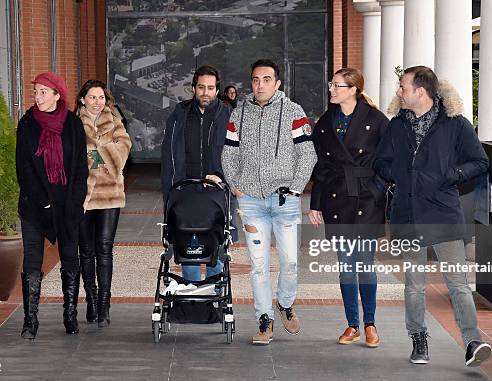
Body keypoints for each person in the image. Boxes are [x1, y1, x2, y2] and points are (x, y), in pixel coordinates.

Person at [373, 66, 492, 366]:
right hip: (408, 214)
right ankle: (418, 338)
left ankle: (472, 341)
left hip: (444, 215)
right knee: (414, 285)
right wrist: (399, 175)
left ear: (421, 92)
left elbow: (480, 161)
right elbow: (380, 162)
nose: (399, 92)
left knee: (458, 284)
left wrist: (450, 175)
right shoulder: (396, 126)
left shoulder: (455, 124)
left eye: (403, 87)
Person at [222, 59, 317, 345]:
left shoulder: (293, 112)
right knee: (258, 265)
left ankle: (285, 303)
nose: (260, 85)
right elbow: (228, 154)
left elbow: (307, 154)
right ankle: (264, 318)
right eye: (255, 80)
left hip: (285, 202)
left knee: (289, 262)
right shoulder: (238, 115)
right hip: (251, 203)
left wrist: (297, 188)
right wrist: (236, 185)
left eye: (266, 79)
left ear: (277, 83)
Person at [309, 68, 389, 348]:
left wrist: (378, 188)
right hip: (337, 199)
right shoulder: (325, 122)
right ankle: (352, 324)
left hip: (366, 200)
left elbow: (389, 159)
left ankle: (370, 323)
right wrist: (315, 204)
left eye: (337, 85)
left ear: (353, 89)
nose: (331, 89)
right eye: (331, 84)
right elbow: (320, 166)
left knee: (365, 264)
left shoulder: (376, 119)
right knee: (346, 266)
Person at [16, 72, 88, 339]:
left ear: (58, 95)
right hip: (35, 205)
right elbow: (23, 169)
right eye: (36, 92)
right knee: (32, 260)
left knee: (70, 258)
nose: (38, 97)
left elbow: (81, 167)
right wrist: (43, 202)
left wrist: (75, 201)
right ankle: (30, 321)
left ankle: (70, 315)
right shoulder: (27, 124)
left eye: (44, 92)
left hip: (67, 204)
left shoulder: (72, 125)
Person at [161, 65, 232, 284]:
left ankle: (215, 296)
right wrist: (171, 193)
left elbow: (237, 153)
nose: (205, 92)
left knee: (217, 244)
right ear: (193, 88)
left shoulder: (227, 115)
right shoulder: (179, 114)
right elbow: (169, 154)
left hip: (216, 192)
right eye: (201, 87)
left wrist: (221, 176)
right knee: (189, 243)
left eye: (210, 88)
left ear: (217, 90)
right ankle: (191, 292)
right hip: (186, 191)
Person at [75, 80, 131, 327]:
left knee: (104, 248)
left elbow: (124, 147)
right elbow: (73, 155)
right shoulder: (74, 125)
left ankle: (105, 304)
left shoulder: (115, 122)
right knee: (86, 251)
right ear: (82, 100)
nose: (97, 102)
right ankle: (92, 301)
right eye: (92, 97)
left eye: (101, 98)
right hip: (83, 197)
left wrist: (96, 157)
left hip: (109, 195)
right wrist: (105, 158)